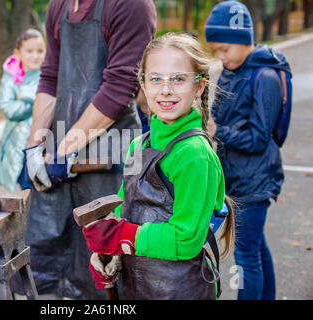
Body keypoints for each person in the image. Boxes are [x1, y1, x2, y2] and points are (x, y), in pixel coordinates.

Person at [82, 33, 235, 300]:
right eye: (155, 79)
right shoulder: (139, 145)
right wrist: (111, 254)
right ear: (143, 83)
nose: (166, 90)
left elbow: (186, 240)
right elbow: (124, 207)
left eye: (178, 79)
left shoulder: (194, 155)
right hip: (138, 283)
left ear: (198, 86)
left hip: (180, 289)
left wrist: (124, 237)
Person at [21, 0, 156, 299]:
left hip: (110, 155)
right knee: (55, 262)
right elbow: (50, 77)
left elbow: (119, 89)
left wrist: (60, 154)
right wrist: (34, 147)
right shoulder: (59, 6)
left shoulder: (131, 6)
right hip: (63, 150)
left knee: (109, 262)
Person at [204, 1, 291, 300]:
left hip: (254, 182)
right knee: (256, 247)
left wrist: (218, 131)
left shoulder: (264, 77)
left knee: (246, 256)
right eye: (215, 50)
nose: (220, 56)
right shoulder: (234, 69)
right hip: (237, 177)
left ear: (243, 40)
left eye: (224, 49)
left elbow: (257, 138)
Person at [0, 29, 45, 192]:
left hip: (45, 142)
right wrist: (38, 100)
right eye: (29, 51)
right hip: (19, 143)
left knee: (46, 188)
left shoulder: (48, 74)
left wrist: (24, 94)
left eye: (40, 51)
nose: (35, 56)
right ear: (18, 53)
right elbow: (9, 109)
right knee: (27, 189)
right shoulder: (11, 76)